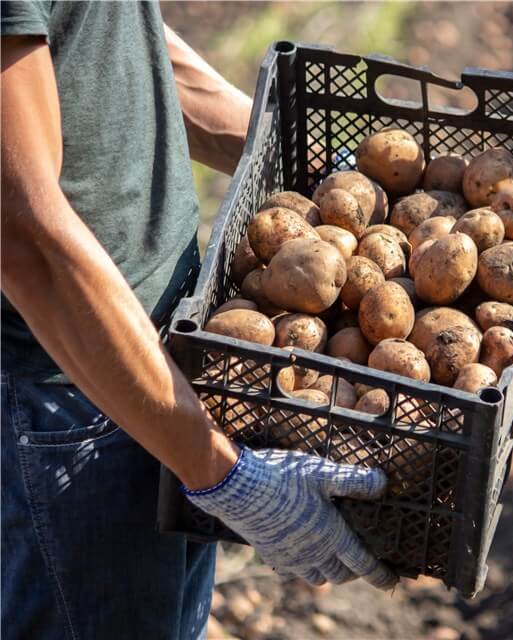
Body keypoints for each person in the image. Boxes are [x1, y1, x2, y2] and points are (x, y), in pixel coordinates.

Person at [1, 3, 396, 639]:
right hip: (74, 394)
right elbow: (19, 231)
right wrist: (220, 471)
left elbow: (104, 33)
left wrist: (333, 179)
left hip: (164, 365)